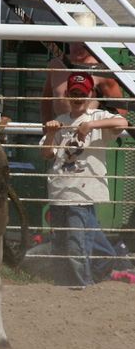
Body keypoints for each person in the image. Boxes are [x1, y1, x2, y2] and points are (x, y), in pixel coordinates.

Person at [40, 72, 127, 287]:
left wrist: (90, 126)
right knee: (68, 244)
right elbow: (47, 154)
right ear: (68, 95)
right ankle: (80, 280)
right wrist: (51, 134)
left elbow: (122, 122)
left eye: (82, 92)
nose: (78, 96)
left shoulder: (97, 116)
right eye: (74, 92)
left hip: (83, 194)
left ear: (90, 94)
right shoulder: (60, 122)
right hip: (60, 191)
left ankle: (81, 285)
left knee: (76, 246)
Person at [41, 12, 125, 123]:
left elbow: (121, 108)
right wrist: (46, 130)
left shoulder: (100, 69)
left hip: (86, 134)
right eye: (74, 40)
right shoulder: (56, 65)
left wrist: (98, 128)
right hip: (60, 132)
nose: (78, 46)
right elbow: (46, 101)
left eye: (84, 42)